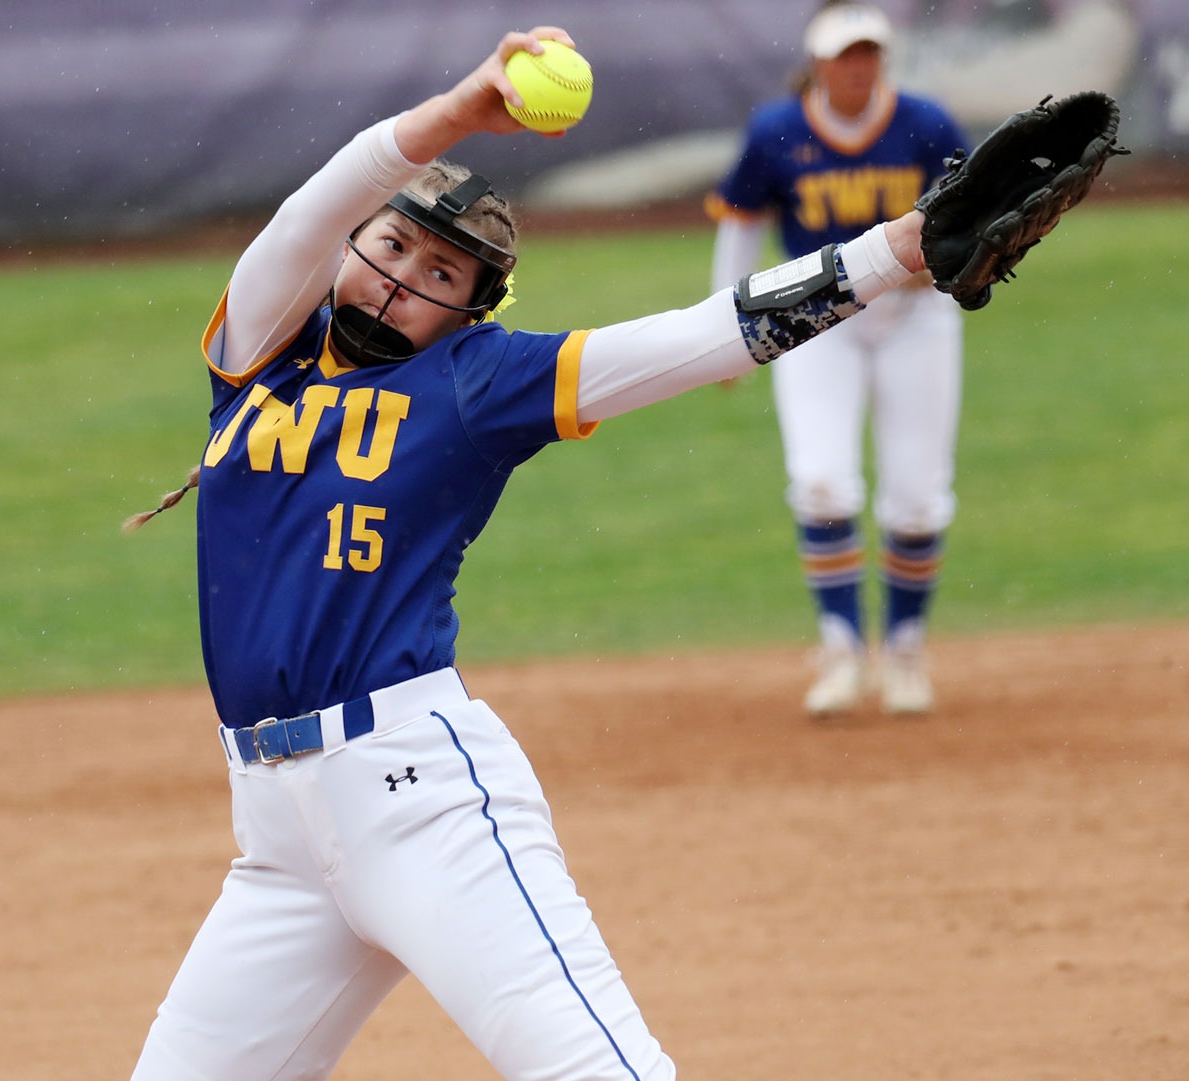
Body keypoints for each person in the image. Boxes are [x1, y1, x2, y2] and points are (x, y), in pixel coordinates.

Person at [130, 26, 951, 1081]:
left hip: (419, 798)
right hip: (280, 841)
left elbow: (693, 339)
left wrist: (891, 257)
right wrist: (462, 110)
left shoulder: (477, 384)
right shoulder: (255, 353)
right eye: (390, 247)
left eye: (440, 274)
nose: (398, 281)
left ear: (471, 313)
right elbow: (309, 211)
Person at [706, 0, 971, 717]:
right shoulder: (778, 131)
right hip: (814, 321)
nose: (859, 67)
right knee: (821, 481)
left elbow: (973, 217)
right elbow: (741, 224)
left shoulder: (926, 122)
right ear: (819, 63)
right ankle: (844, 646)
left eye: (869, 54)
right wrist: (722, 328)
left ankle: (907, 648)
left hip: (916, 316)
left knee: (917, 494)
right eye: (845, 55)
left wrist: (960, 263)